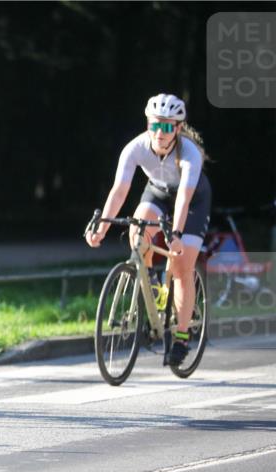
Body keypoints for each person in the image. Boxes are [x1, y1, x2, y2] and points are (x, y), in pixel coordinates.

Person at [86, 93, 211, 367]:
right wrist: (102, 227)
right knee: (137, 232)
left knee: (182, 265)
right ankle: (152, 284)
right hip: (157, 193)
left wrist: (175, 236)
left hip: (191, 202)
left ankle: (182, 335)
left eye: (166, 126)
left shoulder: (190, 153)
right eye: (154, 125)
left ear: (178, 128)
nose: (159, 132)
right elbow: (119, 191)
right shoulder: (136, 148)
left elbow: (183, 200)